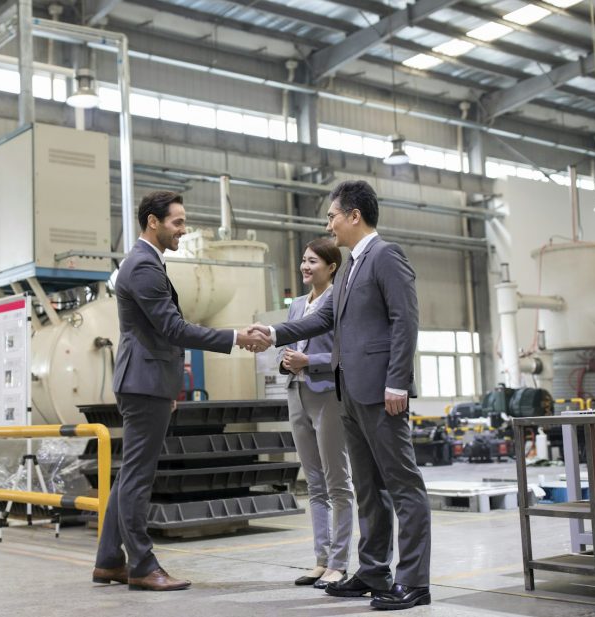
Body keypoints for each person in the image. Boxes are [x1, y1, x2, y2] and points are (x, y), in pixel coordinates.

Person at [250, 180, 430, 611]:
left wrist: (398, 382)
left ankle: (415, 581)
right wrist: (274, 332)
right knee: (368, 486)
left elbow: (405, 320)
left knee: (402, 485)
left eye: (332, 215)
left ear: (354, 215)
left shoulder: (386, 256)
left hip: (381, 390)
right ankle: (372, 570)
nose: (328, 223)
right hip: (347, 390)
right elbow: (322, 318)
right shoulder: (349, 266)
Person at [92, 190, 271, 592]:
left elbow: (163, 332)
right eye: (177, 222)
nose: (183, 229)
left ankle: (108, 560)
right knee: (139, 477)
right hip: (144, 382)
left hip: (148, 381)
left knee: (129, 476)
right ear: (152, 222)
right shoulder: (142, 266)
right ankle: (141, 565)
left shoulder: (146, 264)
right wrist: (234, 337)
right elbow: (173, 328)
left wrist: (171, 383)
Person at [279, 238, 354, 591]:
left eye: (313, 261)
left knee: (337, 482)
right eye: (303, 261)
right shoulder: (296, 306)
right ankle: (321, 560)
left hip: (326, 396)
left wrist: (310, 361)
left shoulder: (339, 302)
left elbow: (346, 352)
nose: (306, 267)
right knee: (314, 483)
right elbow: (290, 345)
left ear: (332, 267)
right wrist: (287, 360)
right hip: (297, 393)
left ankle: (339, 563)